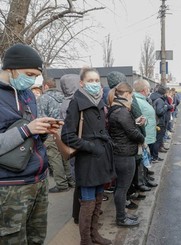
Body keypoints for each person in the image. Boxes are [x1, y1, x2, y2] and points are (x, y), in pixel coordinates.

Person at [0, 43, 62, 244]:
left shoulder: (28, 95)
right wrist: (28, 129)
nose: (32, 80)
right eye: (29, 73)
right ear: (11, 68)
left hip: (38, 180)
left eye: (36, 75)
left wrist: (43, 131)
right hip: (10, 187)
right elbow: (23, 131)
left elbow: (28, 138)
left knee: (37, 238)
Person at [61, 67, 115, 245]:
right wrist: (90, 146)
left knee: (99, 198)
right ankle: (85, 240)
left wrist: (106, 142)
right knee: (88, 202)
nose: (94, 84)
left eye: (96, 80)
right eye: (90, 81)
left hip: (101, 158)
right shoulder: (76, 102)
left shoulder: (99, 101)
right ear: (82, 83)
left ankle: (95, 235)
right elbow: (67, 135)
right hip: (88, 160)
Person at [107, 82, 144, 227]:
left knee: (120, 187)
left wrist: (134, 122)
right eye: (132, 96)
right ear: (127, 94)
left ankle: (122, 215)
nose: (132, 99)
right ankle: (121, 218)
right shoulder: (122, 111)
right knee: (123, 188)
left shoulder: (115, 109)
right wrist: (142, 139)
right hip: (124, 154)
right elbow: (132, 133)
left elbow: (123, 128)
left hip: (120, 152)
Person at [38, 77, 75, 192]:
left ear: (46, 86)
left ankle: (61, 184)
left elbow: (41, 117)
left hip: (51, 130)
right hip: (65, 129)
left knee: (54, 157)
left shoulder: (43, 98)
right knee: (65, 156)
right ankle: (71, 180)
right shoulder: (64, 97)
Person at [59, 74, 81, 224]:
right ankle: (79, 214)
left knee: (79, 180)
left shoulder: (66, 101)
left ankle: (78, 212)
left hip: (72, 146)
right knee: (80, 181)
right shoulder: (73, 103)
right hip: (76, 147)